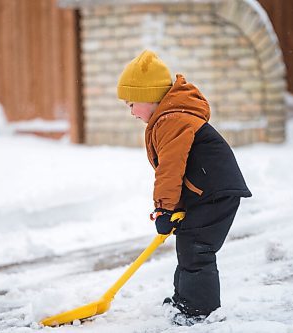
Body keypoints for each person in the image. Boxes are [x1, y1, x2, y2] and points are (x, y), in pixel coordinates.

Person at [116, 50, 252, 326]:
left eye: (132, 104)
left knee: (197, 248)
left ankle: (199, 310)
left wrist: (163, 208)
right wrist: (175, 208)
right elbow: (179, 169)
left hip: (215, 192)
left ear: (150, 97)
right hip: (205, 192)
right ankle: (185, 300)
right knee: (188, 244)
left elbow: (171, 168)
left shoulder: (172, 120)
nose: (130, 112)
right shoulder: (170, 117)